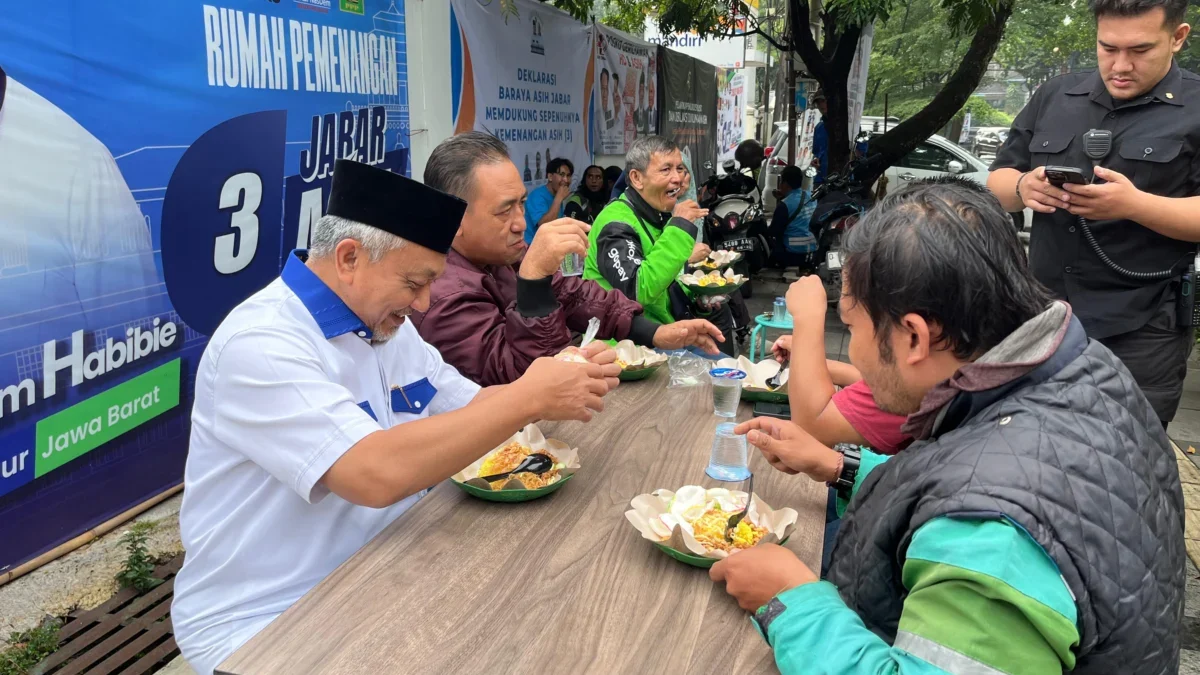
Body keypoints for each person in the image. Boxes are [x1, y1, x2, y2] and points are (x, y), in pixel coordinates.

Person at [710, 177, 1184, 673]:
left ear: (914, 336)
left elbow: (993, 510)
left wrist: (791, 598)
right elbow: (999, 483)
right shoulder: (1087, 369)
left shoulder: (992, 540)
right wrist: (841, 467)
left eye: (851, 328)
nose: (850, 352)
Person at [170, 159, 622, 675]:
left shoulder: (386, 325)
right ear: (348, 258)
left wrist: (551, 378)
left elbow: (470, 406)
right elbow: (374, 473)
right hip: (269, 620)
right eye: (414, 282)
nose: (425, 302)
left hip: (384, 569)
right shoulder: (263, 343)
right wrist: (527, 398)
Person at [987, 0, 1199, 428]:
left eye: (1140, 50)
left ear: (1177, 38)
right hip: (1040, 313)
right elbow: (999, 180)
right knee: (1021, 441)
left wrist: (1134, 206)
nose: (1121, 65)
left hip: (1142, 326)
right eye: (1108, 48)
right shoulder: (1057, 94)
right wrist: (1023, 187)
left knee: (1124, 453)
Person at [413, 133, 723, 386]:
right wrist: (533, 283)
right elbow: (525, 385)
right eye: (504, 210)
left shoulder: (497, 256)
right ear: (453, 219)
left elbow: (574, 295)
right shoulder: (441, 295)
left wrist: (654, 332)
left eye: (521, 204)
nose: (521, 222)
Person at [584, 135, 739, 355]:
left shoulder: (656, 214)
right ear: (637, 178)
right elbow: (638, 290)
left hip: (663, 335)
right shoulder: (616, 223)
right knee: (722, 377)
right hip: (625, 348)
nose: (677, 178)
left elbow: (666, 280)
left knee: (729, 370)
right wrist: (679, 227)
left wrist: (698, 300)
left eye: (680, 169)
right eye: (666, 170)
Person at [767, 166, 819, 269]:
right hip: (813, 251)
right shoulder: (811, 196)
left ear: (785, 184)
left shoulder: (784, 205)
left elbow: (774, 231)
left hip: (793, 254)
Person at [524, 157, 572, 245]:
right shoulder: (537, 196)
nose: (566, 180)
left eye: (568, 175)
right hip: (529, 248)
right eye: (561, 174)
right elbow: (544, 226)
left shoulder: (557, 194)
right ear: (550, 177)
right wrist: (559, 198)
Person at [810, 91, 829, 185]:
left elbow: (859, 153)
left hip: (841, 179)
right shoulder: (819, 127)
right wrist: (815, 161)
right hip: (820, 179)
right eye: (818, 102)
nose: (821, 105)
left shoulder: (849, 126)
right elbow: (816, 152)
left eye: (823, 101)